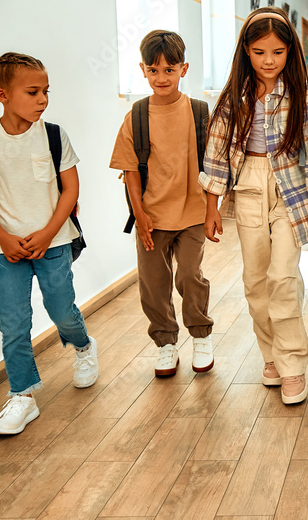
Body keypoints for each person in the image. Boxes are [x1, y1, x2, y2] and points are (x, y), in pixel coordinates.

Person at [0, 52, 98, 435]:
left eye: (46, 91)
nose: (43, 99)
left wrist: (50, 232)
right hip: (5, 250)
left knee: (61, 308)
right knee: (13, 324)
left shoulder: (53, 135)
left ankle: (84, 346)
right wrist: (3, 239)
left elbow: (71, 189)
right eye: (33, 91)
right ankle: (22, 395)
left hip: (53, 242)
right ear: (2, 94)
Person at [202, 8, 308, 405]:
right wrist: (212, 205)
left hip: (293, 187)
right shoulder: (232, 98)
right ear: (246, 51)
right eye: (259, 52)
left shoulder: (306, 96)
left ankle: (292, 365)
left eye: (278, 52)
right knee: (255, 280)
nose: (269, 60)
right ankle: (272, 356)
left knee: (282, 276)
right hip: (248, 187)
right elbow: (217, 153)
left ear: (290, 52)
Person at [110, 30, 214, 377]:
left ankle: (200, 335)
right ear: (143, 70)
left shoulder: (199, 113)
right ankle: (166, 342)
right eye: (154, 70)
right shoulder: (137, 116)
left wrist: (214, 209)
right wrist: (139, 215)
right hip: (151, 217)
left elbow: (215, 165)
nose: (161, 77)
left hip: (193, 213)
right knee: (153, 283)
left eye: (169, 70)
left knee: (189, 276)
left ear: (183, 69)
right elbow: (130, 171)